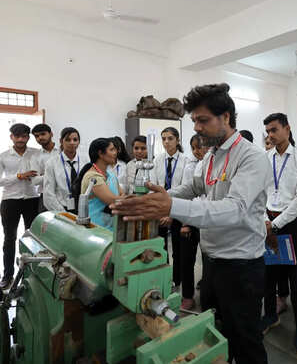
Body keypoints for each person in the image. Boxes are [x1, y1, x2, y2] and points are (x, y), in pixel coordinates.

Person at [110, 83, 269, 364]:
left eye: (203, 120)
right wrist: (154, 199)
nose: (196, 127)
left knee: (246, 341)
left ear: (226, 117)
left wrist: (170, 207)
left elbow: (234, 209)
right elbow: (193, 187)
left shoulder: (251, 157)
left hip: (241, 267)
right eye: (194, 120)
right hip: (211, 262)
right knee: (214, 333)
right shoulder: (211, 155)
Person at [262, 112, 297, 355]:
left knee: (296, 278)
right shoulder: (266, 157)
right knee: (268, 275)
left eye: (274, 130)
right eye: (268, 131)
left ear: (287, 128)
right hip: (267, 221)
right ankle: (271, 316)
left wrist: (276, 224)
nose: (270, 135)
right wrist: (265, 221)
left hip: (290, 223)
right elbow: (260, 192)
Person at [0, 123, 40, 289]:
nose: (20, 139)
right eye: (17, 136)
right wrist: (18, 176)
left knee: (33, 239)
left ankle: (31, 276)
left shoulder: (36, 153)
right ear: (11, 137)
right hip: (10, 200)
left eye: (24, 136)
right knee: (9, 239)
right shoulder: (3, 156)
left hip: (32, 199)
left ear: (28, 137)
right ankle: (8, 276)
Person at [150, 126, 190, 288]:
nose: (166, 142)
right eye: (164, 139)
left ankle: (176, 279)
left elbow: (186, 189)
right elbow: (153, 186)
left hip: (178, 210)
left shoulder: (186, 161)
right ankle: (164, 277)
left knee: (178, 249)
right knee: (161, 248)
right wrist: (161, 211)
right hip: (160, 210)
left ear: (177, 140)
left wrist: (172, 213)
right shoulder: (157, 160)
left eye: (170, 138)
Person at [178, 134, 209, 310]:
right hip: (191, 218)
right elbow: (185, 194)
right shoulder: (189, 166)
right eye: (194, 148)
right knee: (186, 260)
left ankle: (207, 294)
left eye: (200, 146)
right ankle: (187, 296)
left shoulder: (214, 164)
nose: (197, 151)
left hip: (209, 218)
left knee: (208, 260)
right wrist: (185, 222)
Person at [76, 138, 122, 230]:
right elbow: (113, 201)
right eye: (111, 150)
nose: (115, 153)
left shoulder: (111, 175)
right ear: (101, 153)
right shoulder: (92, 177)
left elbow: (121, 194)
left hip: (112, 228)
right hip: (96, 230)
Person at [43, 127, 88, 213]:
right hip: (61, 208)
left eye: (75, 140)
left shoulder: (85, 160)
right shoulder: (52, 163)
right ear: (61, 141)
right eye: (68, 140)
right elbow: (48, 194)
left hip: (83, 208)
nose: (72, 143)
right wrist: (63, 213)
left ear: (79, 142)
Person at [30, 123, 57, 213]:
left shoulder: (63, 151)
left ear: (51, 134)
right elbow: (35, 181)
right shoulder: (35, 156)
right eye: (37, 136)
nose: (40, 137)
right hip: (45, 196)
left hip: (65, 194)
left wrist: (44, 175)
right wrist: (56, 174)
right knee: (44, 221)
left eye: (43, 134)